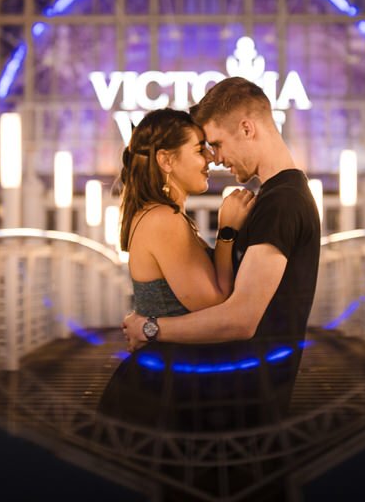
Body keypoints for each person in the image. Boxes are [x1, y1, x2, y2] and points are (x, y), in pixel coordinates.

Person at [122, 77, 321, 415]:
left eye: (214, 143)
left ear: (247, 128)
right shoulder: (273, 199)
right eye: (203, 148)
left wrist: (150, 327)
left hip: (239, 393)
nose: (214, 158)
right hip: (217, 393)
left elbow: (239, 318)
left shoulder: (282, 204)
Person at [96, 107, 255, 430]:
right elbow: (213, 303)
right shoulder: (162, 219)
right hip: (169, 386)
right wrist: (227, 231)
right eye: (199, 149)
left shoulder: (162, 215)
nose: (209, 158)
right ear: (167, 161)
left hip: (170, 375)